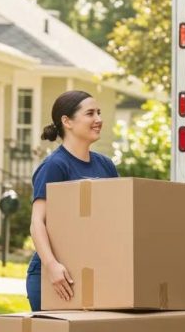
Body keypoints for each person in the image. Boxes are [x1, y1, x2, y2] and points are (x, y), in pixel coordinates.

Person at [27, 90, 119, 310]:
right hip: (57, 277)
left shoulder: (106, 166)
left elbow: (116, 219)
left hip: (92, 272)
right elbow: (37, 222)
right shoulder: (55, 166)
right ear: (67, 121)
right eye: (90, 114)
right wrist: (51, 266)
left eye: (98, 112)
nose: (98, 119)